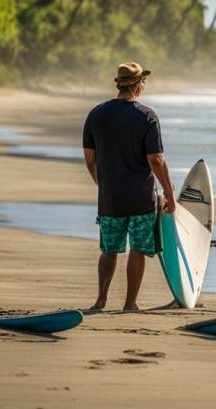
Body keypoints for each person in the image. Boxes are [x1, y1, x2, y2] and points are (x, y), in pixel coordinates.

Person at [82, 63, 176, 312]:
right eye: (143, 81)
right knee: (137, 248)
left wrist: (102, 185)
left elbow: (90, 159)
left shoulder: (96, 114)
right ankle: (130, 303)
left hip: (110, 197)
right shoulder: (146, 116)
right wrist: (168, 192)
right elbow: (156, 160)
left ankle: (100, 301)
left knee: (109, 250)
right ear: (137, 85)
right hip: (140, 197)